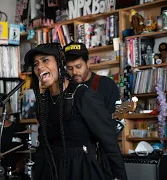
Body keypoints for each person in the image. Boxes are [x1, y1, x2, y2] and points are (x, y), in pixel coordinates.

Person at [24, 43, 127, 180]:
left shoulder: (82, 95)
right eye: (36, 64)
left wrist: (119, 176)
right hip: (52, 170)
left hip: (81, 169)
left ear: (60, 64)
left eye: (45, 60)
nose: (39, 66)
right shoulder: (44, 100)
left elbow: (109, 141)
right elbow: (44, 143)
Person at [63, 42, 120, 114]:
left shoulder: (106, 84)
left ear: (88, 63)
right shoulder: (66, 88)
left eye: (78, 66)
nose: (74, 72)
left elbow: (116, 119)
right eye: (70, 68)